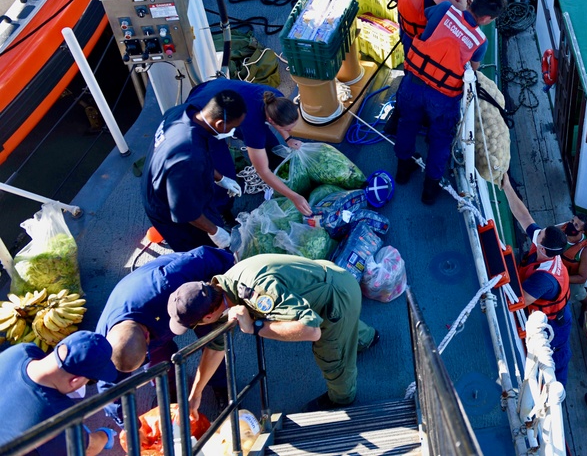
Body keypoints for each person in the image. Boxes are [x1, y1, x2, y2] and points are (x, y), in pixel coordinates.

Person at [167, 254, 378, 412]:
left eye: (196, 325)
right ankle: (367, 338)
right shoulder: (221, 289)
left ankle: (342, 399)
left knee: (331, 355)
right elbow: (215, 347)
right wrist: (196, 393)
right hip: (326, 281)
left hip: (336, 296)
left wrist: (255, 328)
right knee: (343, 326)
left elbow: (311, 330)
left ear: (208, 315)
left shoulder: (255, 293)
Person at [95, 246, 236, 424]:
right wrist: (129, 425)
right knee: (158, 363)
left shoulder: (166, 282)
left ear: (147, 338)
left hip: (190, 303)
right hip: (156, 329)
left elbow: (205, 256)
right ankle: (171, 388)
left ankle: (222, 385)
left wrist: (234, 275)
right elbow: (109, 388)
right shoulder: (106, 345)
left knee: (213, 338)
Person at [393, 0, 506, 204]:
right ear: (487, 19)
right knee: (440, 140)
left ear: (473, 1)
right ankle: (429, 190)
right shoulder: (480, 43)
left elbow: (427, 14)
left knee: (407, 124)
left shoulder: (445, 9)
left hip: (413, 84)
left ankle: (402, 171)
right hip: (442, 99)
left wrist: (458, 10)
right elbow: (472, 70)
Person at [186, 78, 311, 215]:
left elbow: (280, 121)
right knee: (223, 169)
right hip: (201, 109)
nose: (290, 130)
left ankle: (282, 182)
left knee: (274, 149)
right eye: (287, 129)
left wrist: (288, 138)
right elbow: (262, 171)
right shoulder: (253, 125)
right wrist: (294, 197)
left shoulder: (277, 99)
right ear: (270, 120)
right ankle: (221, 210)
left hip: (218, 90)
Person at [142, 90, 246, 252]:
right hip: (167, 206)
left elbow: (200, 157)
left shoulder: (183, 112)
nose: (233, 132)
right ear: (220, 124)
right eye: (233, 128)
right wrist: (215, 231)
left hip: (165, 178)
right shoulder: (189, 158)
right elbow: (185, 210)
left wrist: (220, 178)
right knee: (201, 250)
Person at [500, 172, 572, 387]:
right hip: (552, 311)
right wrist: (506, 186)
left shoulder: (545, 278)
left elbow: (520, 300)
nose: (536, 233)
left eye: (539, 236)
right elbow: (524, 217)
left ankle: (555, 397)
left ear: (542, 248)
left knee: (555, 359)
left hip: (554, 324)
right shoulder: (547, 248)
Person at [0, 331, 120, 456]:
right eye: (90, 381)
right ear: (75, 380)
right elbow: (88, 449)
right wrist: (104, 435)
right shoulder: (57, 416)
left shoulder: (22, 350)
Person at [561, 214, 587, 313]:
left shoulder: (586, 251)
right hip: (558, 268)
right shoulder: (563, 230)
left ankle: (585, 306)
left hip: (573, 279)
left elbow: (582, 277)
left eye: (576, 225)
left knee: (580, 294)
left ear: (582, 232)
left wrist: (561, 278)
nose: (571, 225)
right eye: (572, 221)